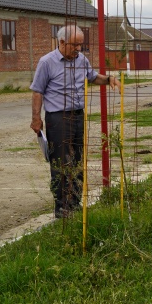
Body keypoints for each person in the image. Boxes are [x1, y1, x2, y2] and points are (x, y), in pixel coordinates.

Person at [29, 25, 118, 218]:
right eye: (74, 45)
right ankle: (62, 207)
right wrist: (36, 118)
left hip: (78, 116)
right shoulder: (47, 62)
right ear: (61, 42)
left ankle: (75, 203)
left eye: (80, 45)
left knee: (77, 160)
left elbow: (93, 77)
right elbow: (37, 91)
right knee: (61, 161)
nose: (78, 48)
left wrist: (109, 79)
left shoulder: (81, 60)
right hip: (58, 118)